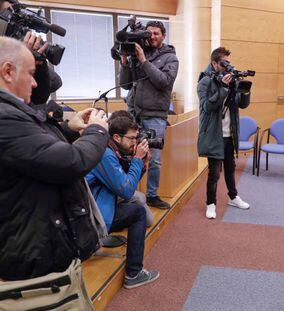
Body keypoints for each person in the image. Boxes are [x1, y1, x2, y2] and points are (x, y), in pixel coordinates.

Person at [0, 37, 109, 280]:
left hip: (36, 238)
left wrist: (70, 128)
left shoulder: (12, 111)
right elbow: (71, 162)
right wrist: (98, 130)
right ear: (8, 71)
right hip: (32, 251)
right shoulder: (5, 117)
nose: (35, 81)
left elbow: (36, 146)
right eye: (30, 73)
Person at [86, 114, 159, 289]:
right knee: (138, 213)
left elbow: (126, 182)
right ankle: (134, 273)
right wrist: (136, 160)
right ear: (117, 137)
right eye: (132, 138)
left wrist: (141, 163)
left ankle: (103, 237)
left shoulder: (110, 149)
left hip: (96, 205)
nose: (136, 142)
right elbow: (126, 190)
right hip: (90, 216)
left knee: (138, 204)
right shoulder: (105, 153)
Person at [120, 20, 179, 210]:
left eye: (156, 33)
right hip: (134, 112)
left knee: (153, 159)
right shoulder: (137, 55)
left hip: (154, 115)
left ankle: (152, 195)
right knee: (127, 155)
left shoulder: (171, 58)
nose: (152, 37)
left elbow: (163, 81)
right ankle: (127, 192)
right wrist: (125, 63)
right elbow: (125, 85)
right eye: (149, 33)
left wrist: (144, 60)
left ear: (163, 36)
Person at [197, 47, 251, 219]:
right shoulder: (205, 82)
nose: (227, 65)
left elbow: (241, 105)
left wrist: (245, 92)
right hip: (214, 134)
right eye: (223, 63)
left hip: (230, 134)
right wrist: (222, 88)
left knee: (230, 168)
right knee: (214, 173)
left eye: (228, 61)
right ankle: (211, 203)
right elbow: (208, 107)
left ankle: (233, 197)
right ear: (214, 63)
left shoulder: (231, 78)